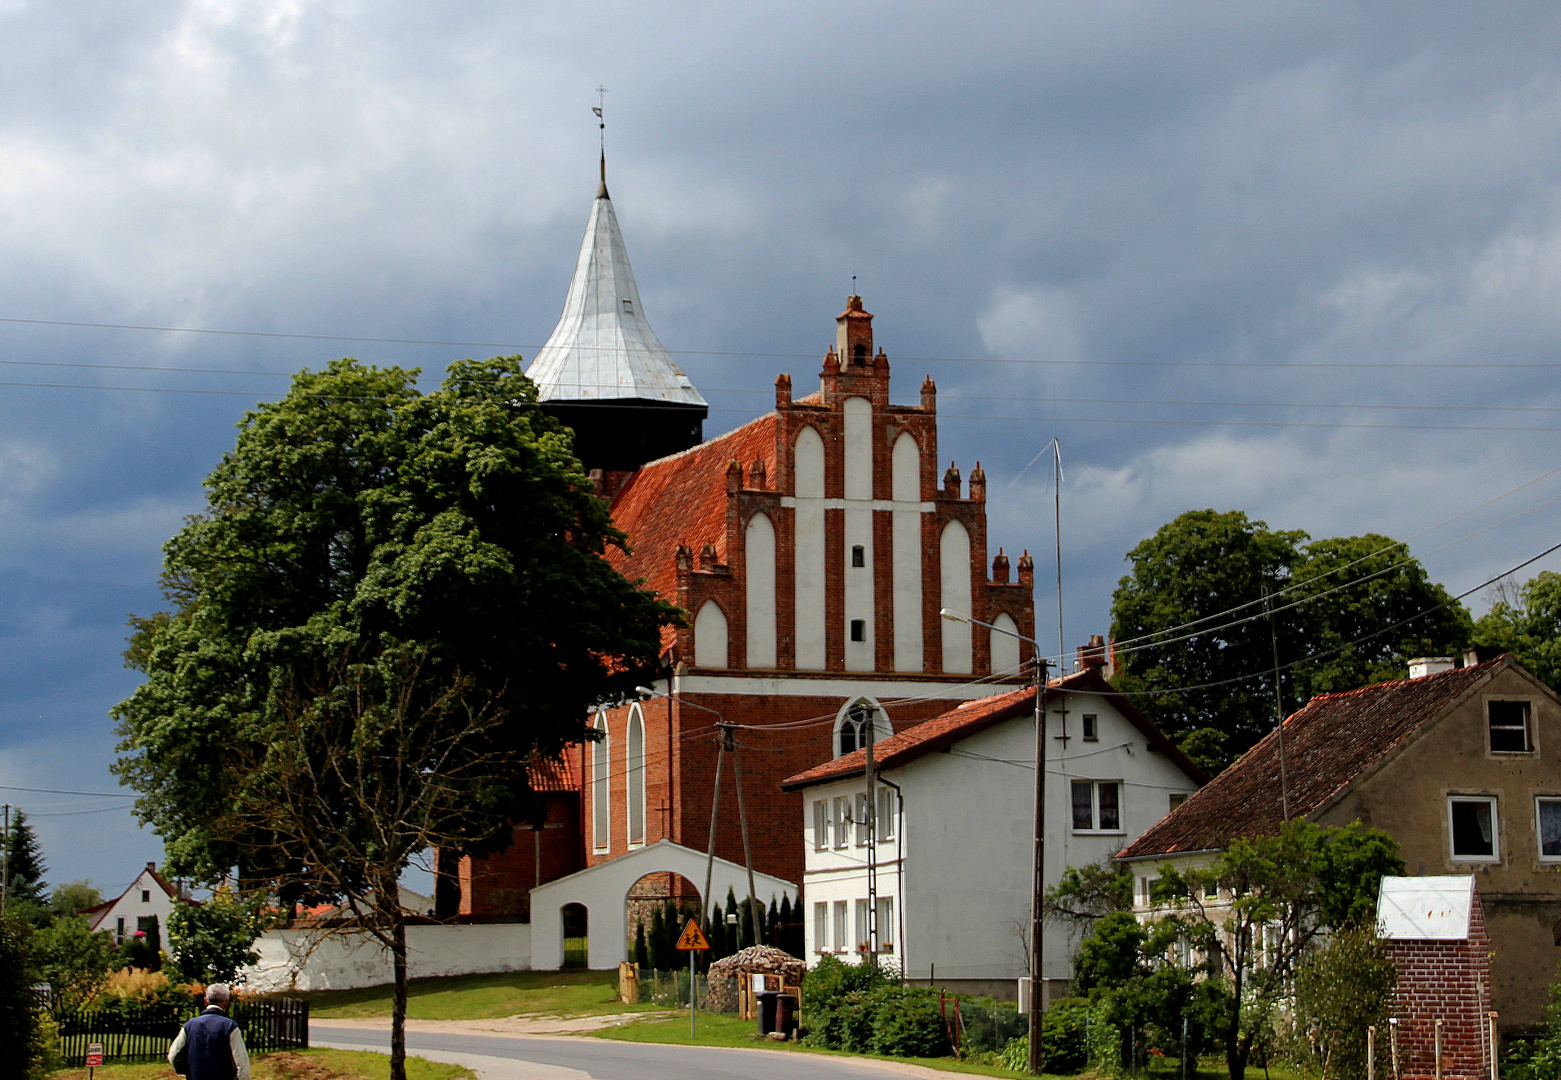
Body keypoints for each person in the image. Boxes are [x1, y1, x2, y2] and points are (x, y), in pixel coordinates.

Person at [168, 983, 251, 1080]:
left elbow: (173, 1055)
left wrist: (186, 1069)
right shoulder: (229, 1027)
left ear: (205, 1001)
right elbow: (241, 1063)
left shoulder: (189, 1026)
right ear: (226, 1003)